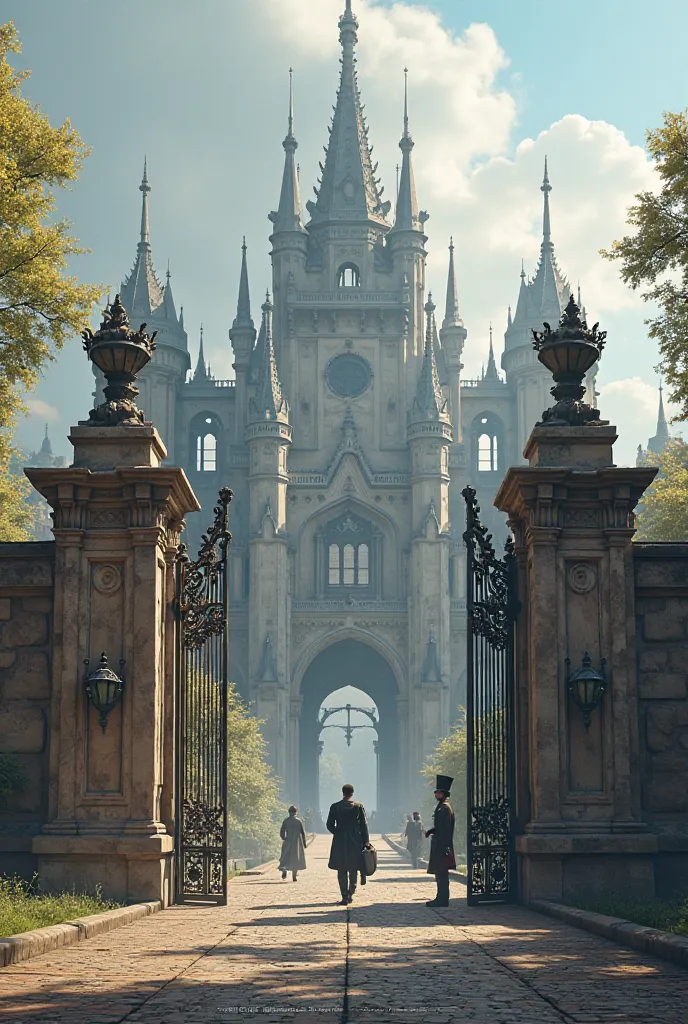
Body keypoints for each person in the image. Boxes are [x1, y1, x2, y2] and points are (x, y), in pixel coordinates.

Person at [326, 783, 370, 905]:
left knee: (341, 868)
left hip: (340, 841)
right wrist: (366, 841)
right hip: (355, 839)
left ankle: (344, 895)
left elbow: (329, 825)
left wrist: (337, 833)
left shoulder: (335, 807)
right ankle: (351, 892)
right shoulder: (358, 807)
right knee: (353, 867)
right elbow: (364, 825)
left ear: (343, 792)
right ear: (352, 793)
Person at [425, 774, 455, 907]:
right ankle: (441, 897)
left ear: (442, 793)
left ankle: (442, 898)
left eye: (437, 792)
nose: (435, 794)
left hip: (442, 846)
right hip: (440, 844)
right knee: (440, 873)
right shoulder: (443, 807)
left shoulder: (444, 808)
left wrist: (444, 846)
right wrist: (431, 831)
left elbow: (445, 829)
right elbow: (440, 827)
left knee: (442, 873)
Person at [278, 805, 307, 882]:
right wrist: (304, 843)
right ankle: (294, 876)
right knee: (295, 859)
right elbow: (302, 833)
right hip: (297, 843)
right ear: (296, 812)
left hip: (288, 841)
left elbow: (282, 831)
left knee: (285, 856)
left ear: (289, 812)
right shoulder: (298, 821)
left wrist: (284, 838)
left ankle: (284, 871)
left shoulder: (286, 821)